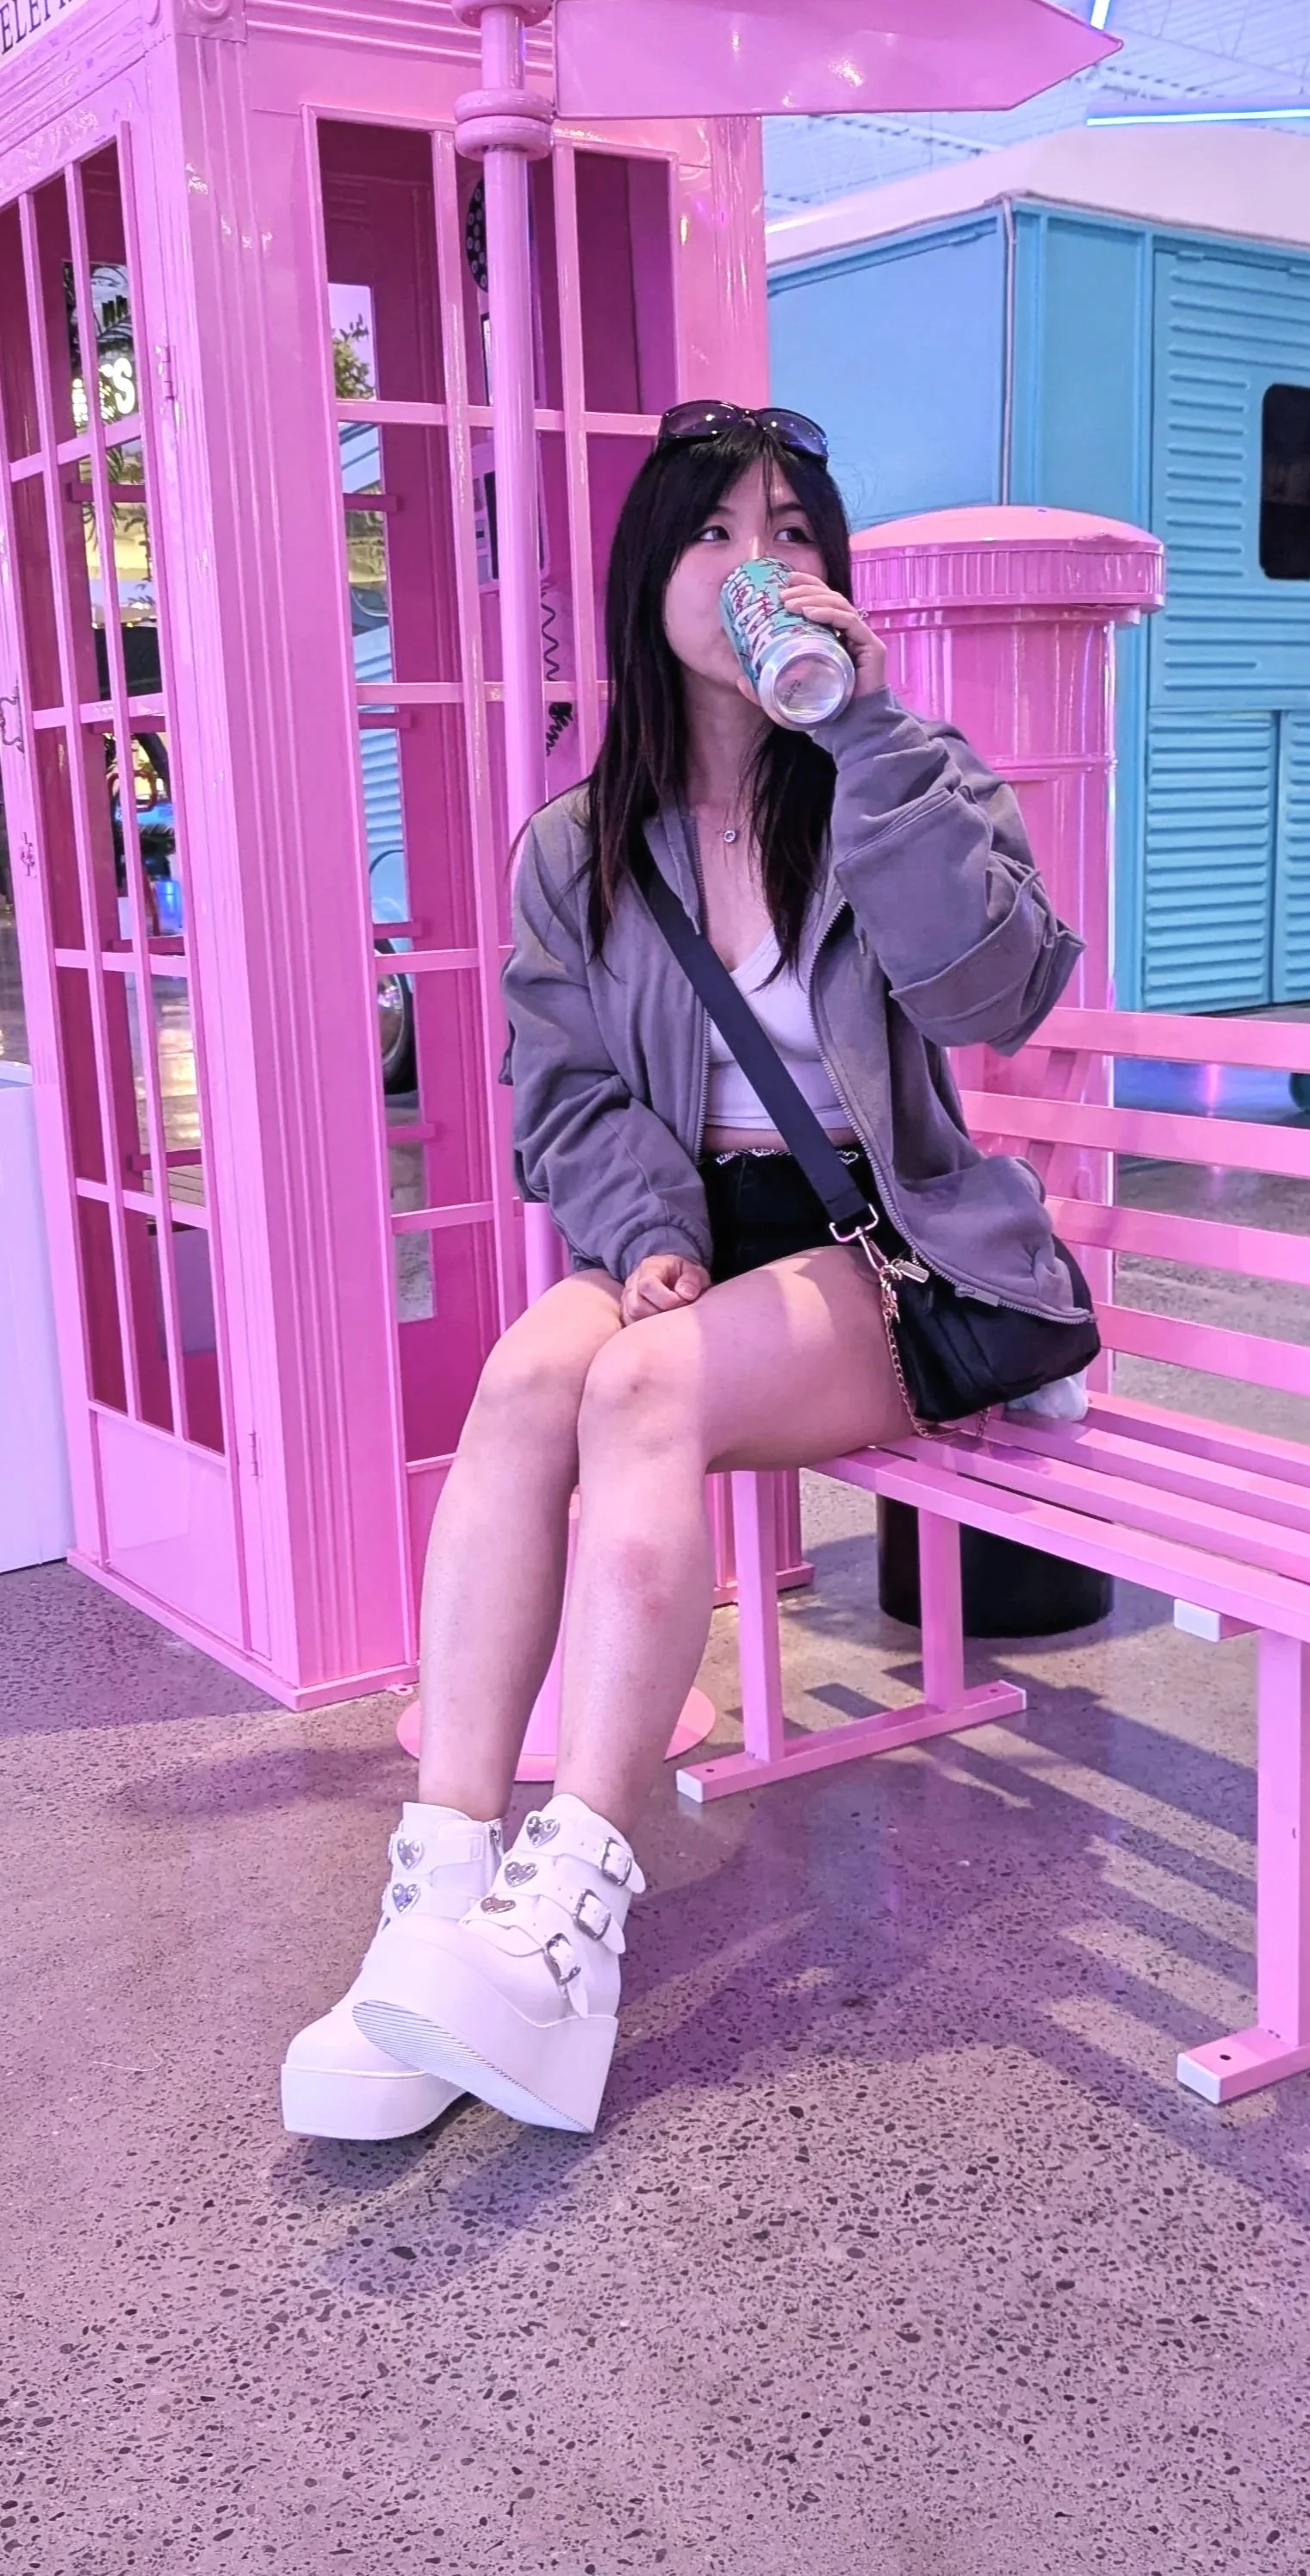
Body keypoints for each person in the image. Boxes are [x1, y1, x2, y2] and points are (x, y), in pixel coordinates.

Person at [282, 403, 1088, 2142]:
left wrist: (862, 737)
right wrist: (645, 1228)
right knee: (524, 1379)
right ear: (652, 573)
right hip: (692, 1232)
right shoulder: (580, 844)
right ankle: (442, 1894)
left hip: (889, 1241)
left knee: (640, 1391)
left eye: (791, 531)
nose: (758, 568)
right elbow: (561, 1088)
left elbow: (993, 997)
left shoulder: (905, 769)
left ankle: (573, 1923)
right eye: (716, 534)